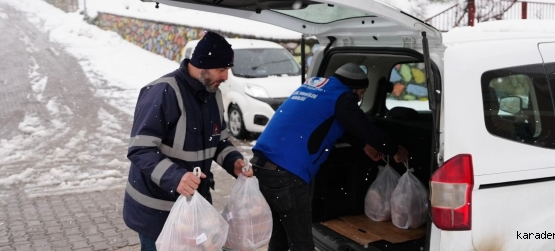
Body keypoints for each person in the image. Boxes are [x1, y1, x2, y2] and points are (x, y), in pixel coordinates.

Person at [251, 63, 409, 251]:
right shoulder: (343, 97)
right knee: (301, 243)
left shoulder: (316, 86)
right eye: (361, 93)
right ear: (356, 90)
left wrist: (364, 145)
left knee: (280, 235)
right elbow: (364, 127)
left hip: (263, 165)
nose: (360, 98)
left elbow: (334, 123)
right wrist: (394, 149)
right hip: (287, 172)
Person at [123, 31, 254, 251]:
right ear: (203, 65)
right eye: (221, 69)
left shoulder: (213, 94)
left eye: (227, 70)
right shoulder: (163, 92)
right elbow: (140, 149)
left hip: (194, 208)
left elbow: (219, 140)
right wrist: (176, 177)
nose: (226, 77)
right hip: (157, 213)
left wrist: (235, 162)